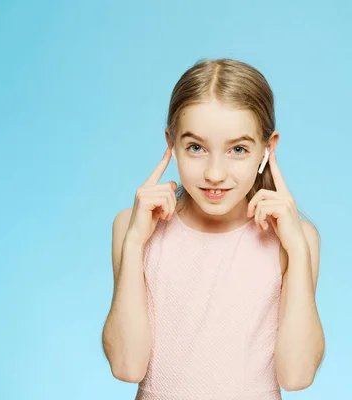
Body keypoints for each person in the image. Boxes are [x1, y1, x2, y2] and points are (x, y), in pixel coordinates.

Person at [102, 58, 325, 399]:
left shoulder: (294, 241)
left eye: (237, 149)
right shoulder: (132, 229)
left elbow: (296, 375)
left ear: (267, 148)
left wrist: (296, 250)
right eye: (196, 147)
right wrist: (134, 244)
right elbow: (126, 366)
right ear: (172, 144)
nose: (215, 173)